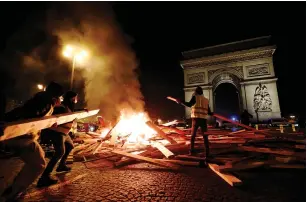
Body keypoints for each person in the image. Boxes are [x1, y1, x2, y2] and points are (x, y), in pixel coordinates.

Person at [0, 82, 64, 201]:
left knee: (39, 159)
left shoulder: (43, 99)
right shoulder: (45, 101)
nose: (61, 100)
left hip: (24, 137)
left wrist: (48, 122)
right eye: (61, 97)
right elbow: (27, 115)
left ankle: (14, 188)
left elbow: (35, 117)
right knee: (38, 163)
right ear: (56, 96)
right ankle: (13, 192)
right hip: (20, 137)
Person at [37, 91, 82, 187]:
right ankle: (44, 177)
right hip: (57, 132)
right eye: (75, 98)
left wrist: (83, 110)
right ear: (71, 98)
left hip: (64, 133)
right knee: (60, 152)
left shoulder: (68, 107)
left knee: (70, 146)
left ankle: (61, 165)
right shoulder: (61, 107)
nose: (76, 100)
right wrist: (53, 121)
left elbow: (72, 113)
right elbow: (53, 116)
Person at [175, 86, 213, 158]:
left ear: (196, 92)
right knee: (205, 136)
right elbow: (209, 112)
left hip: (196, 119)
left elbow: (189, 104)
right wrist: (212, 113)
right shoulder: (206, 100)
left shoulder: (195, 97)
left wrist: (181, 101)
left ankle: (192, 150)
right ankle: (207, 153)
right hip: (203, 120)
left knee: (193, 135)